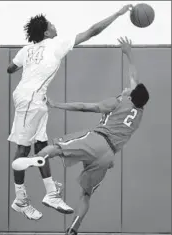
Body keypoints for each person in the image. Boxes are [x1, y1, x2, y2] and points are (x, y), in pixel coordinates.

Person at [7, 6, 132, 220]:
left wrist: (28, 65)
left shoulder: (26, 50)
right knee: (22, 149)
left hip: (34, 98)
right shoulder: (56, 44)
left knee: (40, 145)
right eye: (51, 25)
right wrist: (117, 14)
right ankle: (20, 199)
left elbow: (10, 68)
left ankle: (51, 194)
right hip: (31, 99)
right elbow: (93, 31)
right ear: (46, 33)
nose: (55, 26)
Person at [14, 37, 149, 234]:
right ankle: (73, 229)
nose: (127, 87)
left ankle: (34, 159)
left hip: (98, 140)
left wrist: (57, 104)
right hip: (108, 157)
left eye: (129, 90)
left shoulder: (119, 102)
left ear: (130, 96)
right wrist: (129, 54)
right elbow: (134, 78)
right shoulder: (139, 111)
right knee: (86, 195)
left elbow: (85, 107)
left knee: (58, 147)